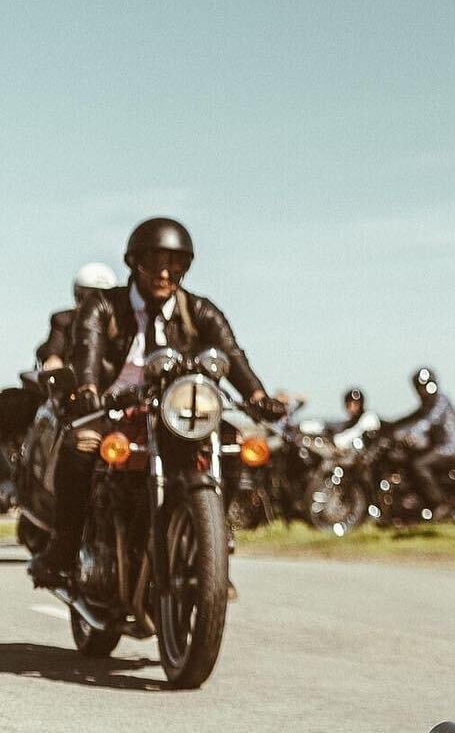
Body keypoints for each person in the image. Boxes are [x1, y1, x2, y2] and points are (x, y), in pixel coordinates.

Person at [29, 217, 286, 587]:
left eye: (176, 264)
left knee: (232, 446)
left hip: (175, 410)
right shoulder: (103, 306)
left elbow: (232, 355)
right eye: (156, 262)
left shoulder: (200, 310)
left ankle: (212, 548)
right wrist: (86, 388)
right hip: (111, 407)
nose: (166, 273)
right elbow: (88, 348)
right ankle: (65, 547)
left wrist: (259, 397)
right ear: (135, 263)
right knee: (81, 444)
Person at [392, 367, 455, 518]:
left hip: (451, 448)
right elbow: (412, 417)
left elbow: (428, 420)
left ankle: (438, 503)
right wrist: (390, 426)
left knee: (419, 464)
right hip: (440, 447)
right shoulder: (427, 405)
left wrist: (412, 433)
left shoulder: (440, 401)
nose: (421, 392)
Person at [35, 262, 118, 370]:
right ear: (78, 296)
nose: (96, 305)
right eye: (89, 298)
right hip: (73, 379)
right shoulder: (63, 321)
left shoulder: (124, 323)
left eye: (104, 299)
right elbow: (54, 349)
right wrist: (53, 359)